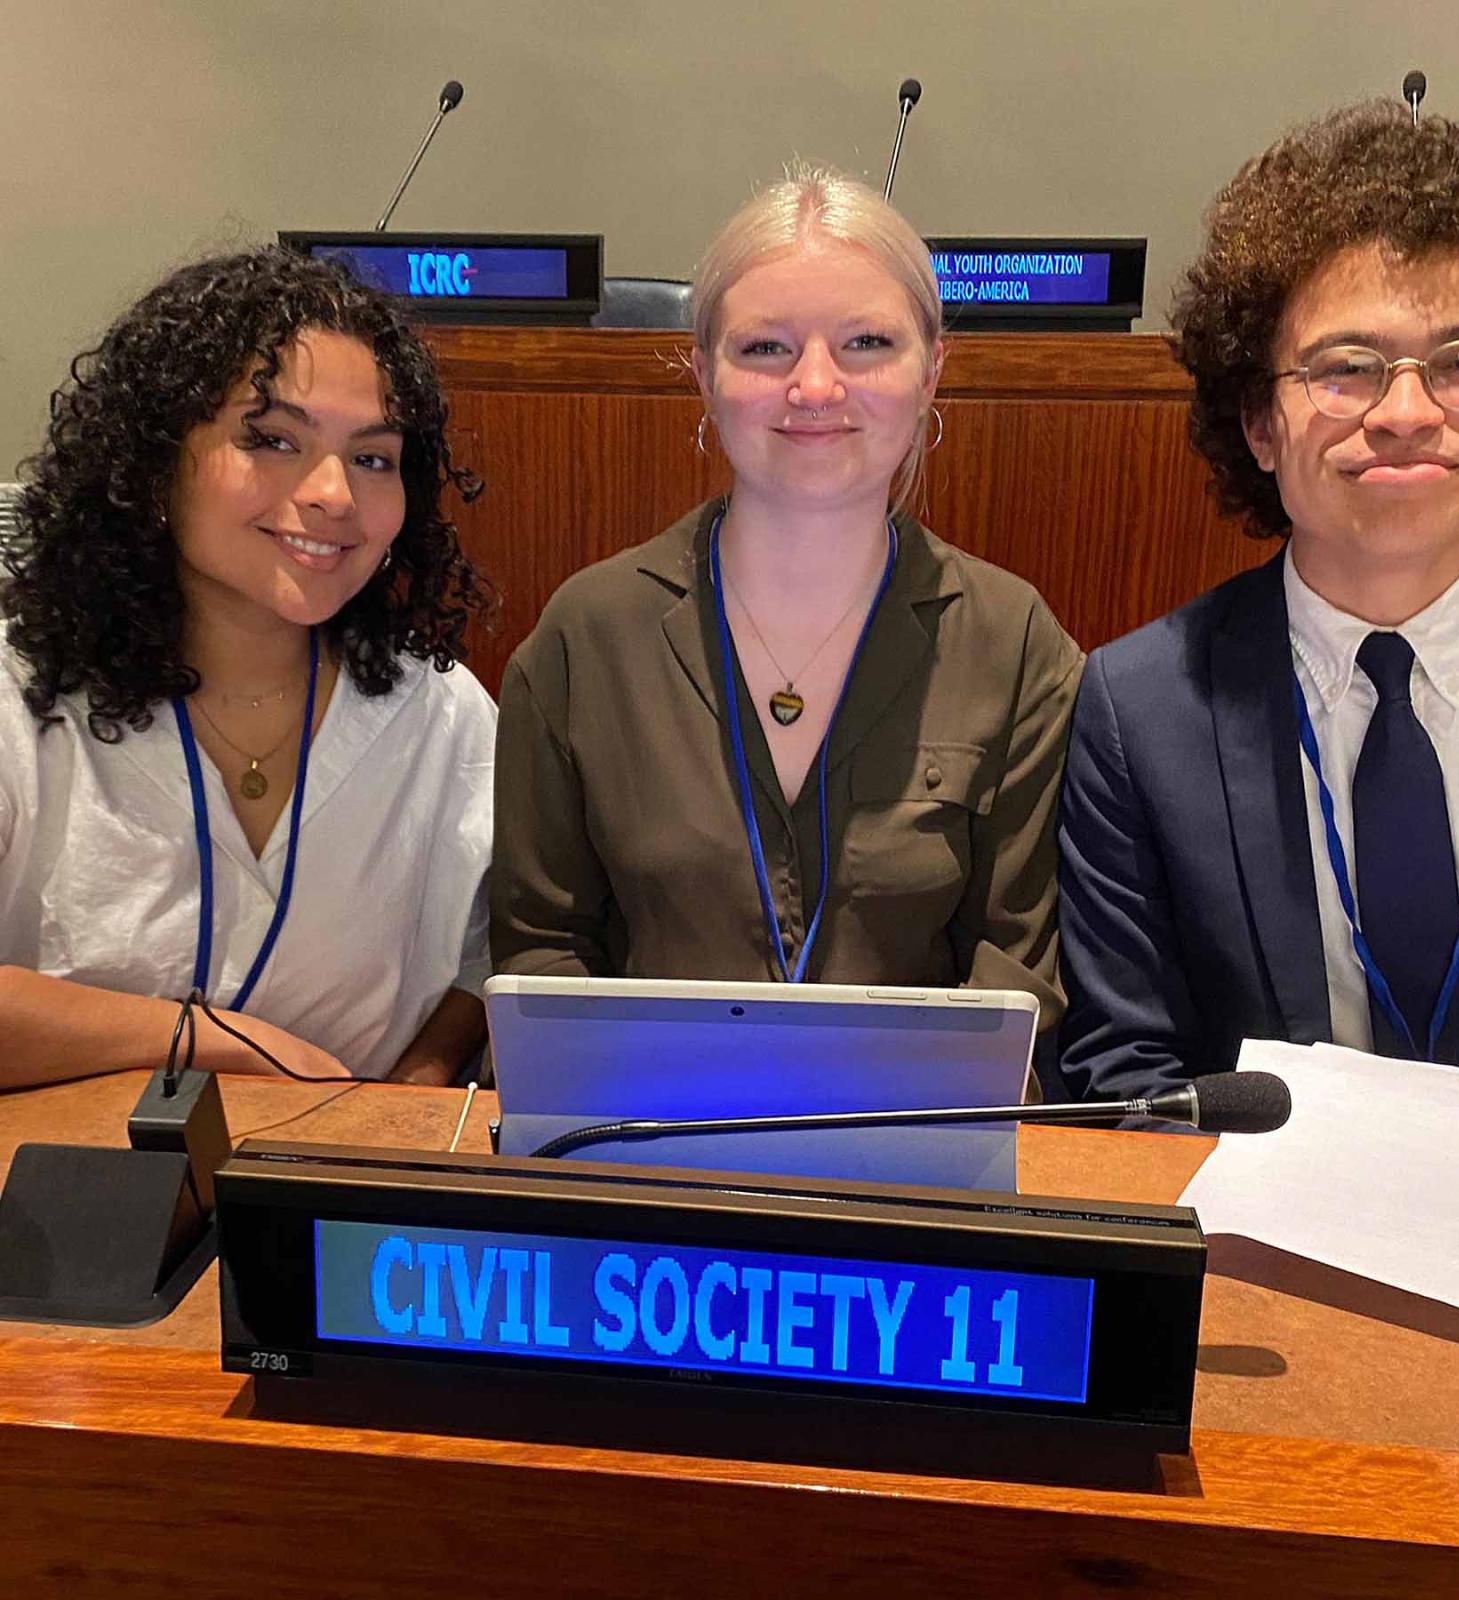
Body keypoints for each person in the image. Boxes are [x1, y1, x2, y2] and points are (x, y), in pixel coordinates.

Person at [1057, 103, 1459, 1110]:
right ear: (1261, 422)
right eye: (1346, 369)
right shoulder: (1140, 708)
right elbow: (1120, 1073)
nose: (1404, 413)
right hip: (1275, 1240)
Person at [491, 165, 1082, 1044]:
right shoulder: (585, 637)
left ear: (931, 374)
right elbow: (541, 954)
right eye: (766, 347)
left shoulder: (1015, 643)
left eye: (867, 344)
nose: (814, 387)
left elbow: (1016, 980)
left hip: (915, 1161)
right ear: (703, 375)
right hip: (644, 1154)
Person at [0, 247, 498, 1087]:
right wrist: (219, 1043)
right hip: (53, 1205)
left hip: (330, 1202)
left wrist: (406, 1105)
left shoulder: (442, 714)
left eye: (374, 457)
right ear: (156, 463)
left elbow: (487, 968)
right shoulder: (19, 692)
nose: (334, 493)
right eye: (271, 439)